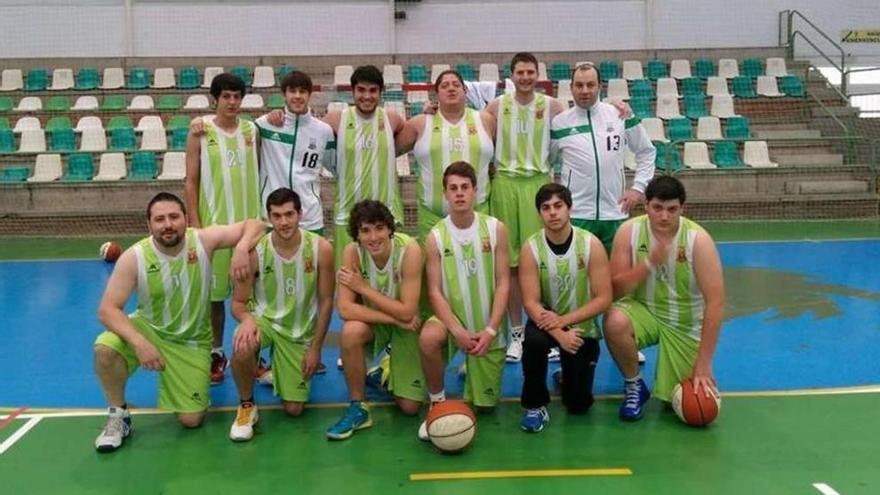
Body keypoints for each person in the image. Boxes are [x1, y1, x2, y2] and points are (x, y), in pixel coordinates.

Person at [93, 193, 264, 452]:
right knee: (105, 349)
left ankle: (178, 381)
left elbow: (256, 224)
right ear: (149, 225)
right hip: (149, 329)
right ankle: (118, 416)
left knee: (191, 420)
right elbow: (107, 310)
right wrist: (140, 343)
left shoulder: (203, 241)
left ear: (186, 219)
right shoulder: (135, 256)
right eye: (159, 219)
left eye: (174, 216)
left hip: (191, 341)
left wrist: (241, 248)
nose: (168, 224)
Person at [604, 176, 724, 421]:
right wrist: (647, 264)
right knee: (614, 321)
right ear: (646, 205)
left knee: (690, 406)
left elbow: (716, 303)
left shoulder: (698, 241)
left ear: (683, 208)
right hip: (642, 309)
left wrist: (703, 364)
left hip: (684, 321)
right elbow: (613, 292)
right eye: (657, 208)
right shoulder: (629, 232)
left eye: (672, 209)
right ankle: (635, 385)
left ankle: (682, 371)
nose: (664, 216)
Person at [269, 65, 406, 266]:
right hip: (347, 215)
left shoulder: (392, 119)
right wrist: (281, 115)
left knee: (387, 280)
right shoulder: (336, 119)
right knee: (347, 278)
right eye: (361, 90)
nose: (366, 96)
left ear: (380, 92)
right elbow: (305, 130)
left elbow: (407, 140)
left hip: (386, 214)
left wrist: (430, 111)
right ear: (352, 91)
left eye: (373, 90)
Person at [227, 188, 334, 442]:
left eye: (289, 214)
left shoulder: (321, 249)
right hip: (265, 321)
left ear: (300, 214)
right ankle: (246, 406)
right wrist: (247, 320)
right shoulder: (255, 253)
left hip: (298, 331)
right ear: (269, 217)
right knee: (242, 345)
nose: (284, 222)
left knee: (294, 410)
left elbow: (327, 300)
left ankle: (277, 368)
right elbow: (239, 303)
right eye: (277, 216)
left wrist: (316, 349)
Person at [484, 52, 567, 364]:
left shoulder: (553, 106)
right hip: (505, 185)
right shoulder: (495, 107)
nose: (525, 77)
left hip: (538, 184)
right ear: (512, 75)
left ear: (538, 74)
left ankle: (551, 326)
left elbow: (566, 140)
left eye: (530, 72)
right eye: (520, 72)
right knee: (511, 265)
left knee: (543, 260)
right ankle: (516, 333)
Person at [418, 161, 510, 440]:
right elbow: (434, 291)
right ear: (445, 193)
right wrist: (456, 330)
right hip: (450, 323)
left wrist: (492, 329)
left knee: (484, 407)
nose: (459, 194)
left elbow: (504, 282)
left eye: (465, 188)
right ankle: (437, 400)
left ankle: (471, 366)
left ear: (475, 191)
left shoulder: (496, 229)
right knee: (428, 338)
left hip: (487, 326)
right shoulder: (435, 236)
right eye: (453, 188)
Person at [184, 72, 261, 385]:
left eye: (237, 96)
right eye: (226, 96)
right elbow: (190, 181)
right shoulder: (200, 131)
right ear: (214, 99)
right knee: (214, 299)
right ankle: (216, 352)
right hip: (214, 231)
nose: (232, 102)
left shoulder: (251, 130)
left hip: (250, 229)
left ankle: (256, 352)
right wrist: (195, 226)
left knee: (254, 296)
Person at [326, 200, 425, 440]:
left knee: (410, 407)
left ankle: (383, 372)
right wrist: (393, 319)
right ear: (357, 235)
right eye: (365, 230)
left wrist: (363, 287)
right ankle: (358, 407)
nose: (373, 237)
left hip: (409, 327)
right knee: (350, 332)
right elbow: (345, 309)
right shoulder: (352, 252)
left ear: (390, 229)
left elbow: (408, 312)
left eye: (379, 228)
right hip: (382, 322)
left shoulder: (409, 250)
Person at [517, 183, 611, 432]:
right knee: (534, 342)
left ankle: (565, 377)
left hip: (581, 326)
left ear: (569, 208)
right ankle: (535, 405)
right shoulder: (531, 248)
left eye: (558, 206)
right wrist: (558, 331)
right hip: (545, 322)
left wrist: (564, 321)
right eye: (546, 207)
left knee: (578, 405)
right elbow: (530, 302)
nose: (553, 212)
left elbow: (603, 298)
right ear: (540, 213)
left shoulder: (591, 244)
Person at [550, 63, 656, 254]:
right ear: (571, 88)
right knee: (580, 277)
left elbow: (646, 151)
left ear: (600, 86)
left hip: (615, 214)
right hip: (577, 215)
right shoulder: (559, 123)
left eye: (590, 85)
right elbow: (546, 162)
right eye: (579, 85)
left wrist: (638, 188)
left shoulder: (619, 114)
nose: (585, 91)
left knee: (615, 277)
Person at [395, 69, 495, 241]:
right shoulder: (420, 123)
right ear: (437, 94)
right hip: (432, 219)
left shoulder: (485, 120)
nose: (451, 88)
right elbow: (388, 149)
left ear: (465, 91)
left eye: (456, 85)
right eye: (445, 85)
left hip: (479, 216)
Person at [254, 71, 336, 235]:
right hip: (274, 217)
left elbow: (335, 166)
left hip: (309, 217)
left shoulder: (323, 131)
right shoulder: (264, 125)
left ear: (309, 94)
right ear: (284, 94)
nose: (297, 96)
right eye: (292, 91)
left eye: (302, 91)